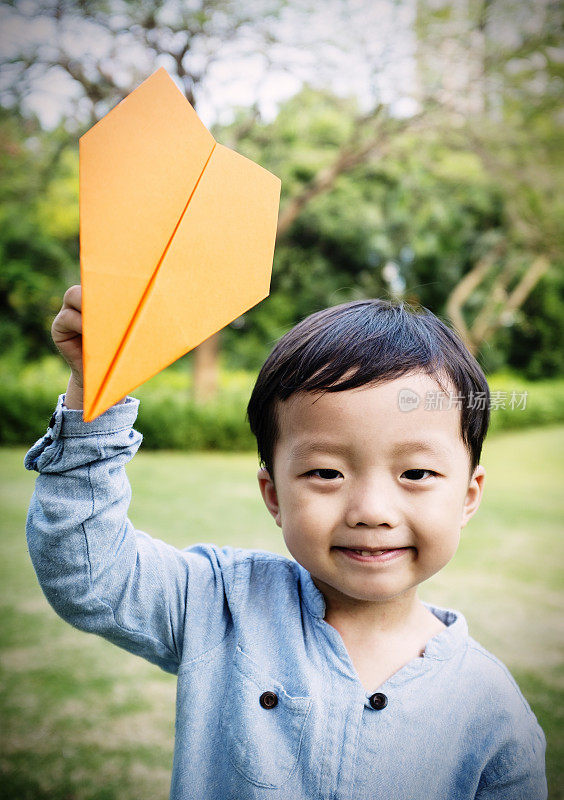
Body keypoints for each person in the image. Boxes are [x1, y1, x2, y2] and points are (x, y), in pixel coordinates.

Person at [25, 285, 547, 800]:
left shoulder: (492, 710)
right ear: (273, 494)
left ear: (468, 495)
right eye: (325, 472)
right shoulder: (218, 605)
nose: (371, 512)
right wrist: (96, 395)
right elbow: (89, 572)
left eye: (415, 471)